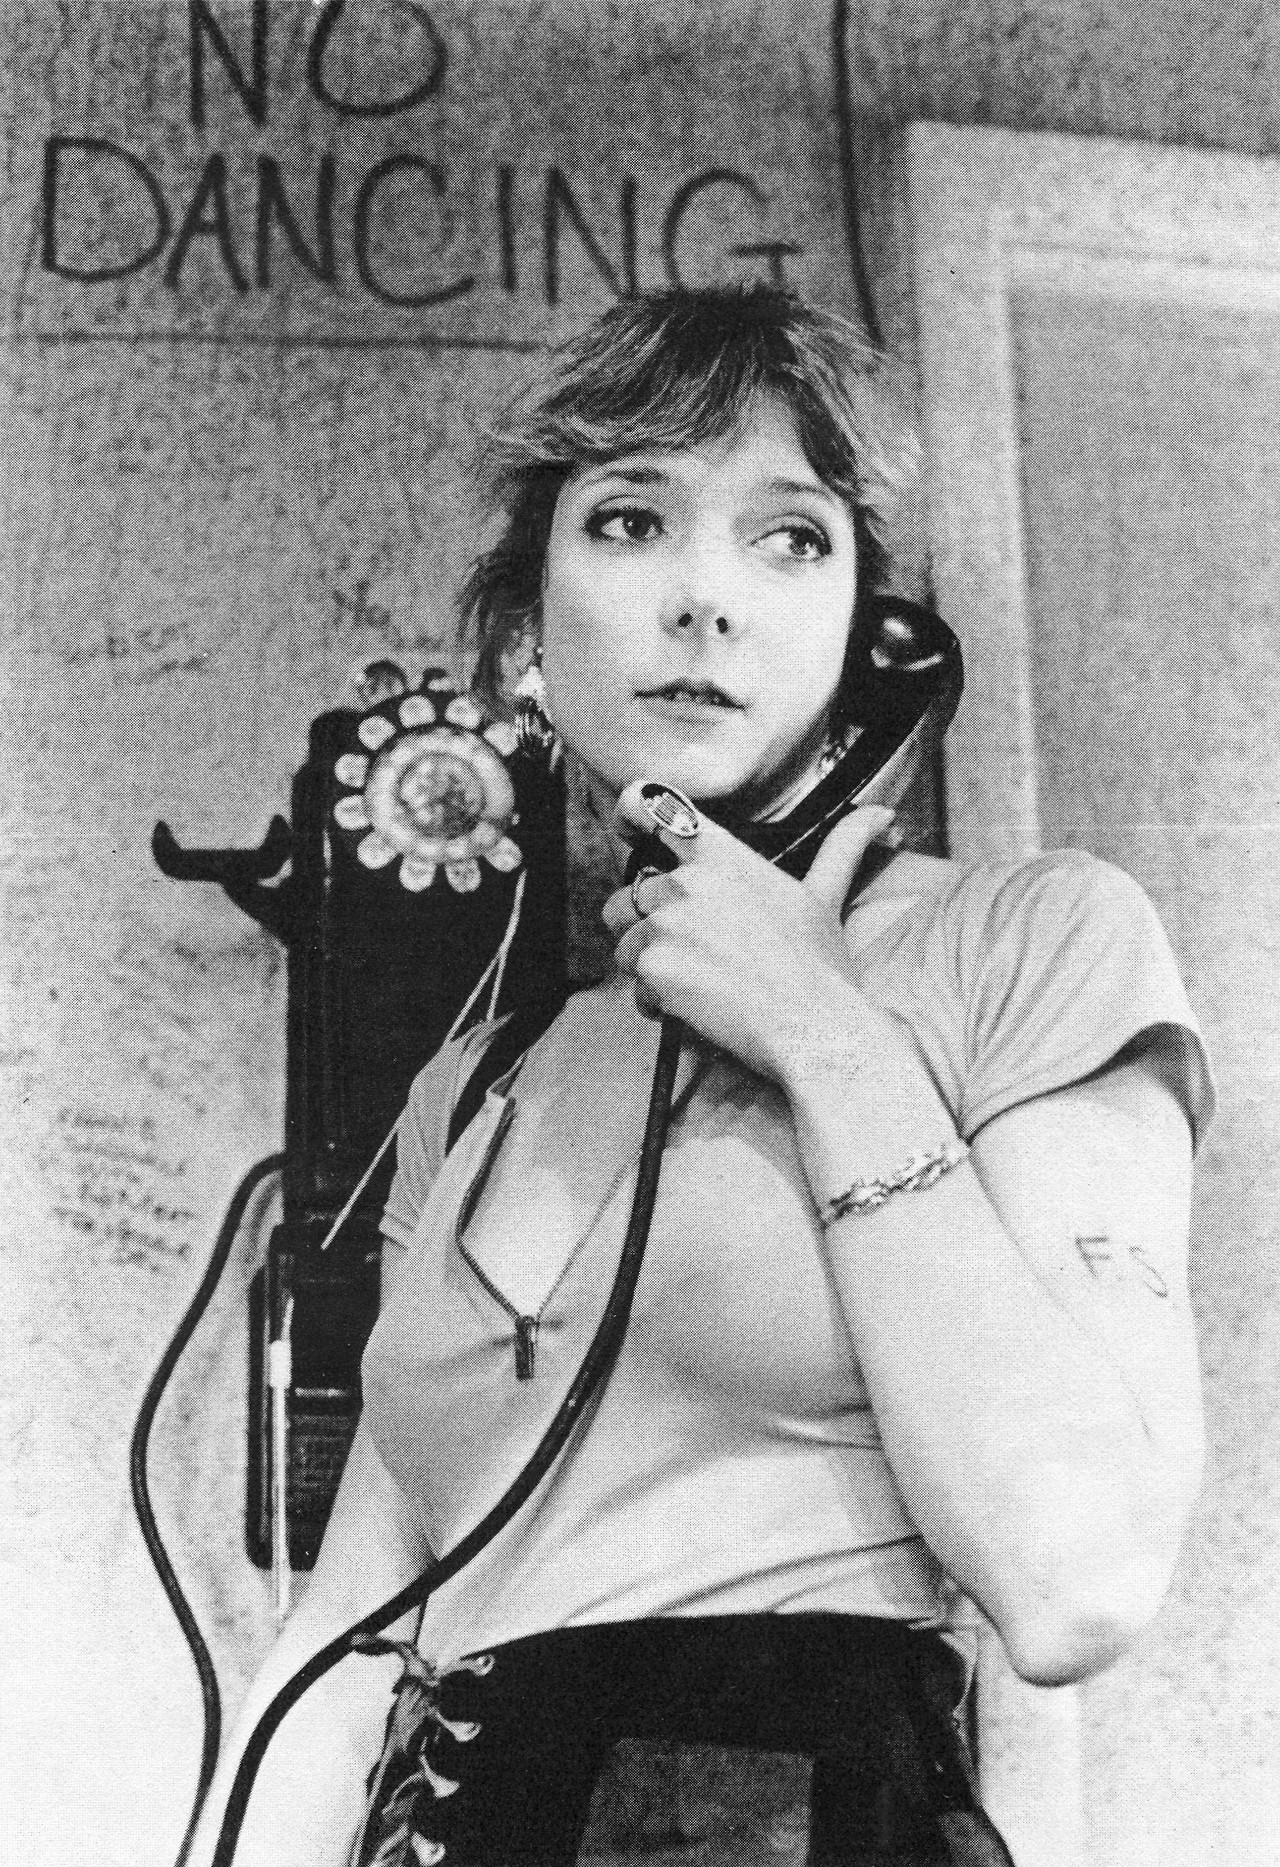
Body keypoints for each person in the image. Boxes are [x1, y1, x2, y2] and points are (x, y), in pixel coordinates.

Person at [191, 285, 1213, 1867]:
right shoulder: (475, 1087)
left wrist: (821, 1030)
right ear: (528, 636)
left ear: (874, 639)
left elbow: (1078, 1580)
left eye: (789, 538)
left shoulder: (1026, 941)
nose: (706, 600)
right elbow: (342, 1650)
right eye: (630, 520)